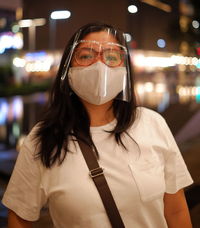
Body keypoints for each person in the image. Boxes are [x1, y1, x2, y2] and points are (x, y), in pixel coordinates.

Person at [2, 22, 193, 228]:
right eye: (86, 55)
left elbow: (176, 209)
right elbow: (20, 217)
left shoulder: (152, 123)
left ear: (124, 68)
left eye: (111, 56)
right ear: (68, 67)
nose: (99, 65)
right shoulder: (43, 139)